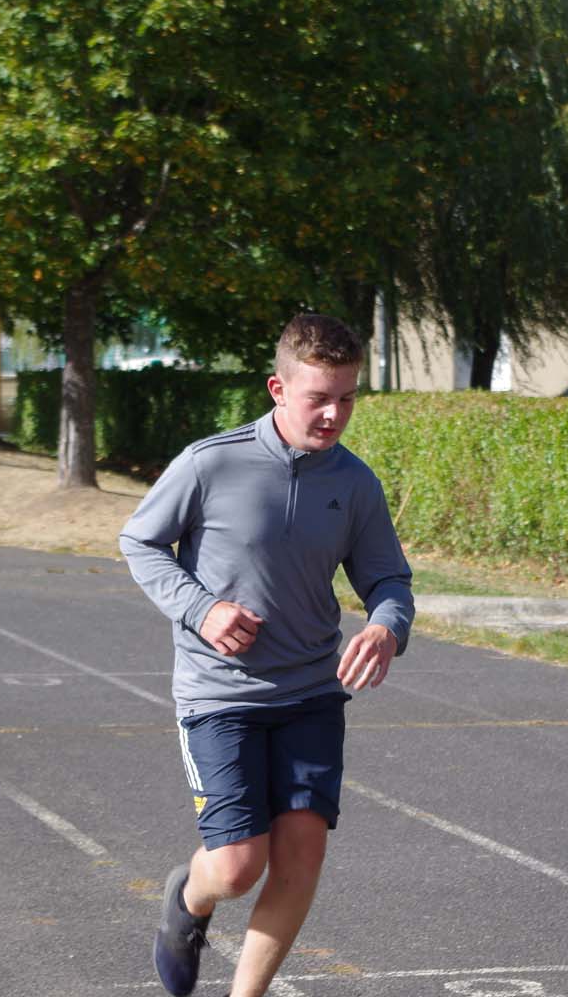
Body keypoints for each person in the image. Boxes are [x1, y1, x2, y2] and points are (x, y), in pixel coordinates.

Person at [119, 313, 413, 997]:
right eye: (319, 398)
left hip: (311, 693)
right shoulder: (210, 463)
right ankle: (188, 898)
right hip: (220, 695)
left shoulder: (354, 482)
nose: (334, 414)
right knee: (236, 868)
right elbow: (140, 542)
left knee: (301, 855)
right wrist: (202, 609)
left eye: (347, 398)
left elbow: (387, 580)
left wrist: (385, 627)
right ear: (278, 389)